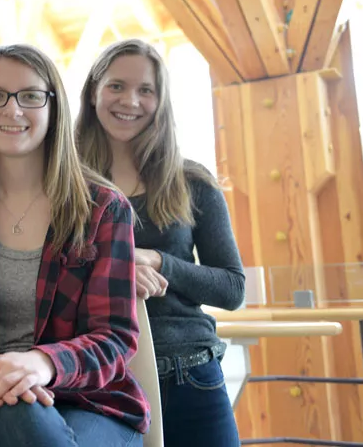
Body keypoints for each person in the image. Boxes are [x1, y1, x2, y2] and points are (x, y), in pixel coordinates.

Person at [0, 43, 150, 447]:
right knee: (24, 417)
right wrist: (1, 377)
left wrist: (41, 363)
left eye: (30, 96)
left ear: (53, 107)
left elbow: (114, 337)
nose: (12, 110)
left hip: (90, 403)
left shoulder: (104, 209)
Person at [74, 38, 246, 447]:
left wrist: (156, 260)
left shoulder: (193, 182)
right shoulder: (65, 186)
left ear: (160, 100)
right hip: (99, 378)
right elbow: (43, 277)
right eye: (116, 85)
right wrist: (116, 269)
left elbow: (232, 287)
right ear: (94, 91)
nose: (129, 100)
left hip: (191, 373)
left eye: (145, 90)